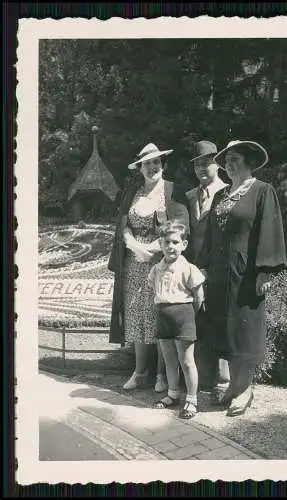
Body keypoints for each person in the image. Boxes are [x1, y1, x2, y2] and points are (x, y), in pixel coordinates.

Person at [197, 140, 287, 417]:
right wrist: (204, 268)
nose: (228, 163)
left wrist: (265, 271)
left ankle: (244, 390)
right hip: (220, 276)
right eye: (226, 159)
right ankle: (233, 387)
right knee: (223, 330)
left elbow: (269, 230)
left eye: (234, 158)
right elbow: (210, 236)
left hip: (246, 275)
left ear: (249, 161)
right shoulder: (221, 196)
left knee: (245, 332)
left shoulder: (262, 191)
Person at [108, 143, 190, 392]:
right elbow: (123, 224)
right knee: (137, 315)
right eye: (148, 163)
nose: (153, 167)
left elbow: (180, 224)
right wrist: (135, 247)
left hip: (162, 260)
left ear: (163, 165)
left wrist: (153, 249)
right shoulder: (133, 192)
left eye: (157, 162)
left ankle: (161, 376)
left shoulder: (173, 191)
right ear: (140, 168)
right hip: (134, 262)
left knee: (159, 315)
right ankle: (140, 372)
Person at [185, 140, 231, 403]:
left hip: (219, 270)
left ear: (218, 164)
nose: (203, 168)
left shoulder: (228, 192)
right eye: (198, 164)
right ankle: (204, 381)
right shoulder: (190, 196)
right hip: (193, 270)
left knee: (220, 323)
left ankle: (224, 383)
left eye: (207, 162)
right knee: (199, 324)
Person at [148, 220, 206, 419]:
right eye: (166, 242)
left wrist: (190, 317)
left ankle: (192, 400)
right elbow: (154, 289)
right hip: (163, 316)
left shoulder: (189, 268)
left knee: (187, 361)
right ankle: (173, 394)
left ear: (184, 245)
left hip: (184, 316)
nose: (170, 246)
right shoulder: (157, 269)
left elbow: (199, 297)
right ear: (160, 244)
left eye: (175, 242)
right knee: (168, 359)